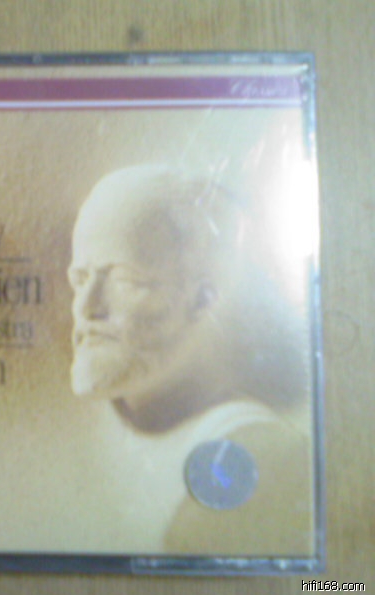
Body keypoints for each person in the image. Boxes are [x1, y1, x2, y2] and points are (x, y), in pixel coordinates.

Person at [68, 164, 314, 554]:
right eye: (80, 279)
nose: (86, 308)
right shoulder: (93, 442)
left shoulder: (261, 454)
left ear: (202, 299)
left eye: (125, 280)